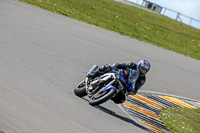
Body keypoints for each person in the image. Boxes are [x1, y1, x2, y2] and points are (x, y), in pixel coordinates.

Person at [87, 60, 151, 104]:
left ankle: (106, 96)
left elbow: (136, 89)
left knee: (122, 99)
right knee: (106, 67)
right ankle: (92, 75)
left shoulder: (142, 79)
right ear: (139, 66)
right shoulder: (131, 65)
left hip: (125, 85)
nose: (143, 71)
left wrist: (131, 91)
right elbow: (119, 64)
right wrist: (115, 67)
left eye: (145, 71)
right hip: (119, 75)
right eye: (143, 69)